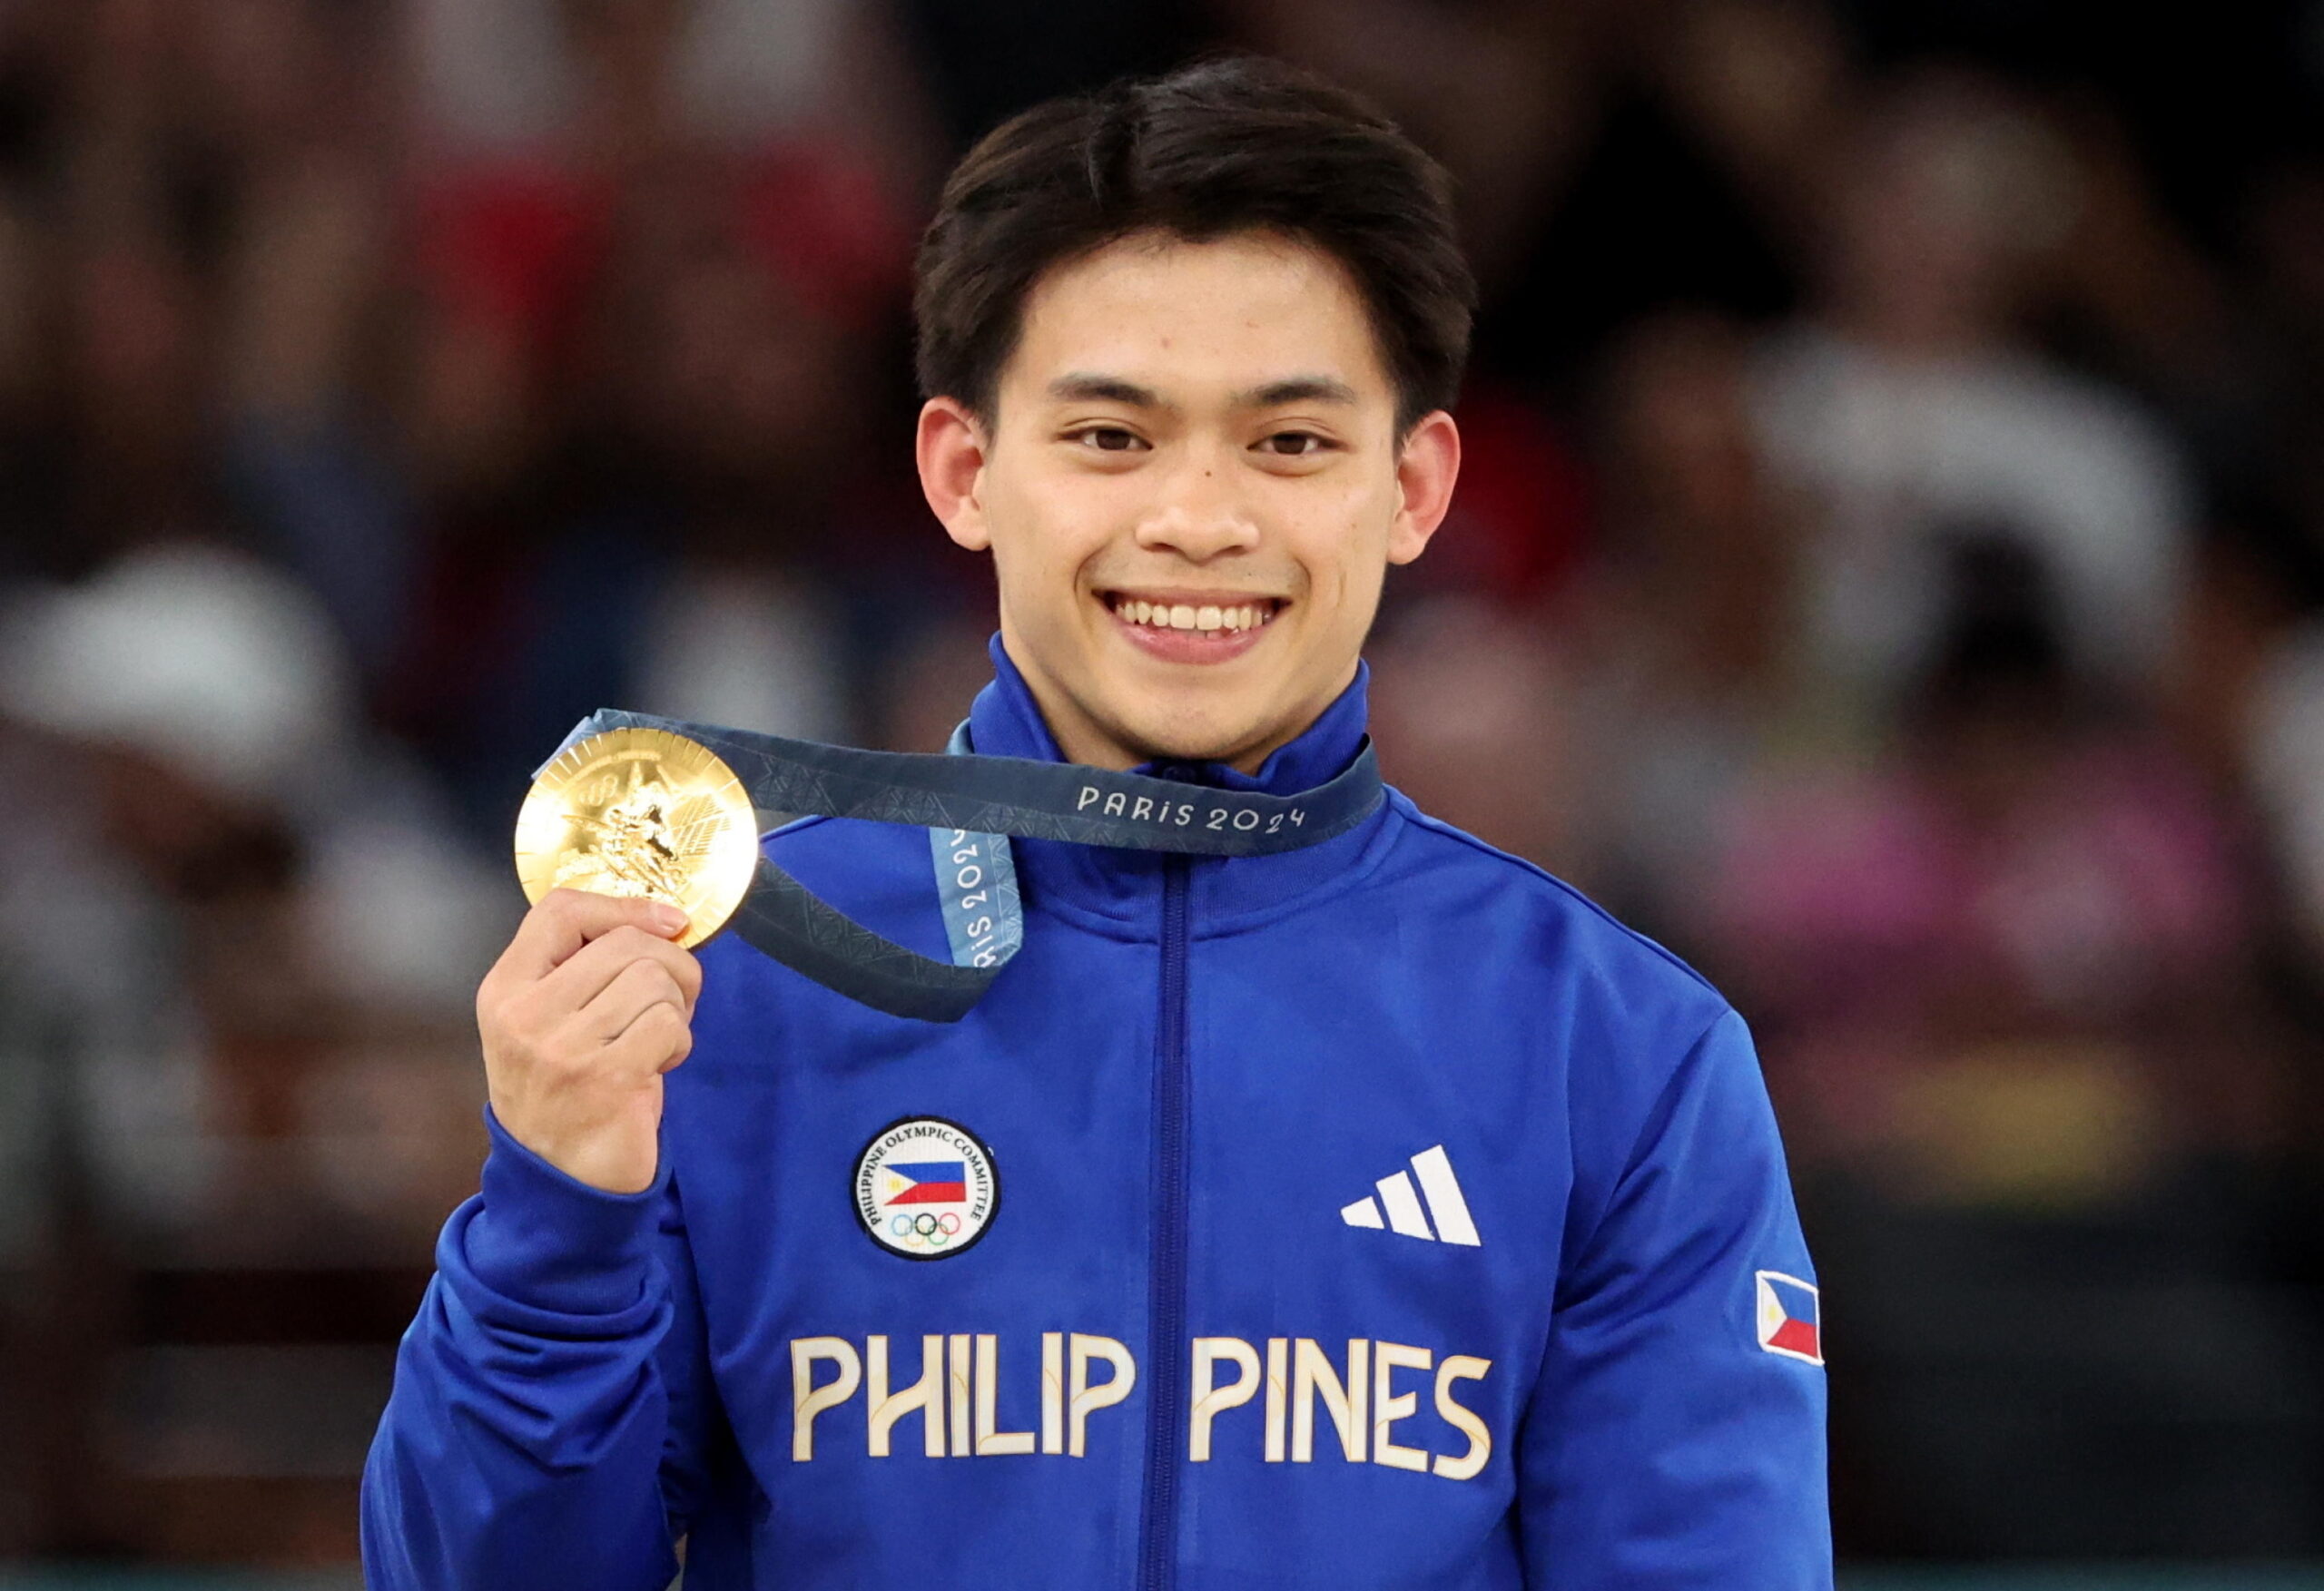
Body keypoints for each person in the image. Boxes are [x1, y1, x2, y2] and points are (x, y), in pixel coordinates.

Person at [360, 54, 1830, 1589]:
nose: (1197, 518)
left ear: (1414, 487)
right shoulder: (723, 990)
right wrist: (553, 1214)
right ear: (963, 472)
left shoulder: (1621, 1054)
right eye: (1112, 437)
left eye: (1291, 442)